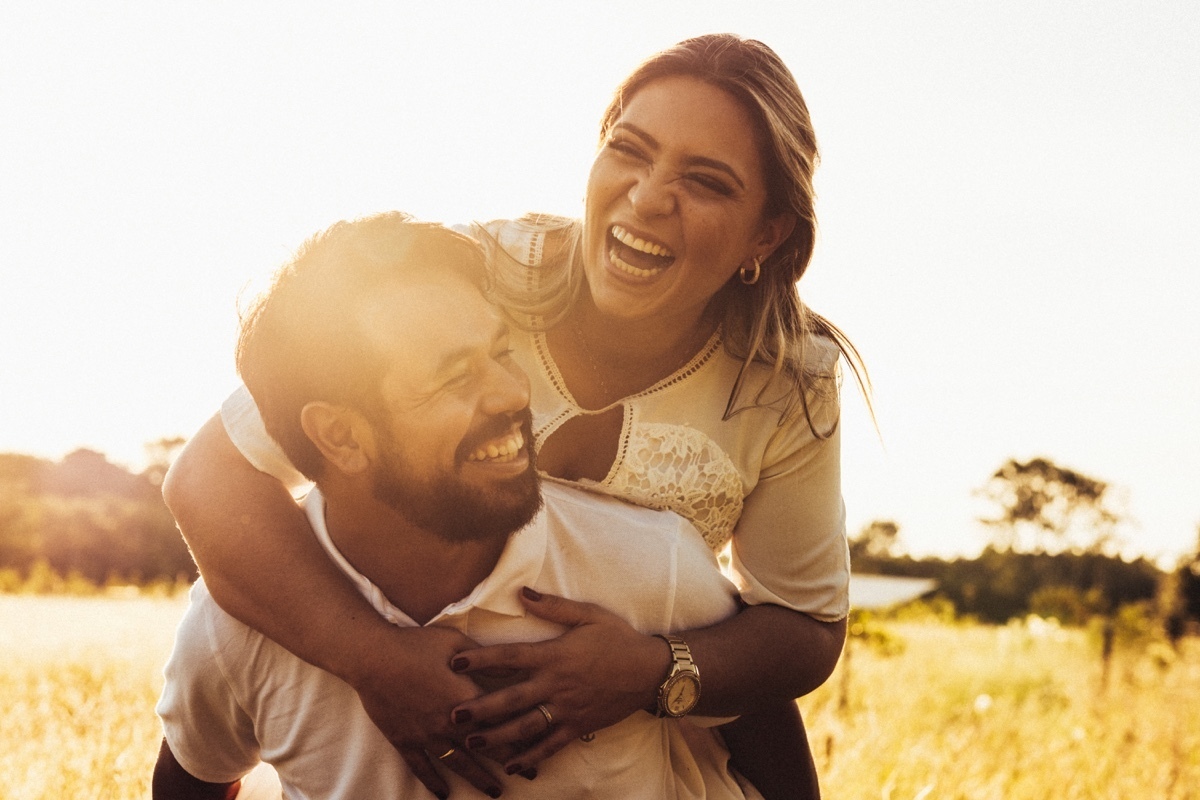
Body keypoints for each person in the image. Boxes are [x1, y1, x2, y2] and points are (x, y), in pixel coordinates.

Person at [164, 33, 866, 799]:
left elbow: (801, 629)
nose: (647, 198)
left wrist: (652, 671)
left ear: (767, 233)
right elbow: (208, 479)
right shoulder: (466, 277)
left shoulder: (784, 379)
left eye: (705, 181)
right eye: (629, 150)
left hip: (643, 753)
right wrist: (373, 658)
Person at [154, 215, 757, 800]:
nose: (513, 393)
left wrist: (657, 673)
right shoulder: (237, 626)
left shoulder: (652, 563)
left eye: (502, 353)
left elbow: (763, 718)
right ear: (340, 437)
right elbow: (192, 780)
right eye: (454, 378)